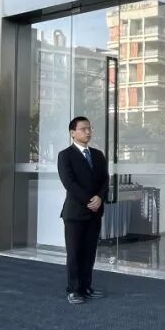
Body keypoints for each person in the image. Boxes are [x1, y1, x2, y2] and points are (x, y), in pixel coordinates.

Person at [57, 116, 108, 304]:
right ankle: (74, 290)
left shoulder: (98, 155)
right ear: (73, 133)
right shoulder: (65, 155)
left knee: (89, 252)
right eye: (83, 129)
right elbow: (69, 183)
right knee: (75, 253)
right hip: (75, 213)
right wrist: (89, 200)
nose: (88, 132)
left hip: (95, 212)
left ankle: (86, 287)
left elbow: (105, 180)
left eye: (89, 129)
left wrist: (100, 197)